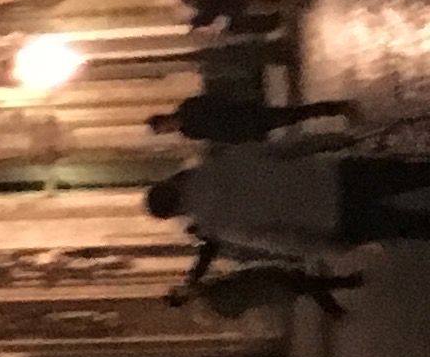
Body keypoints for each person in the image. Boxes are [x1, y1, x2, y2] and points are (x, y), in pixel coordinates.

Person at [145, 149, 430, 256]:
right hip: (330, 175)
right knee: (411, 175)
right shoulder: (214, 165)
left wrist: (329, 246)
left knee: (409, 224)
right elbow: (278, 152)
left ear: (175, 213)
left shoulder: (218, 224)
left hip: (330, 216)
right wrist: (328, 142)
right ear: (170, 183)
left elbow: (277, 239)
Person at [154, 88, 354, 144]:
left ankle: (335, 108)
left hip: (245, 115)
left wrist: (239, 105)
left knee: (291, 115)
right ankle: (333, 109)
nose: (167, 130)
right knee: (292, 116)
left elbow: (215, 100)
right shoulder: (188, 131)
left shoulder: (188, 109)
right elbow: (216, 136)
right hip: (245, 128)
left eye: (164, 127)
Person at [181, 259, 359, 320]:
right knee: (309, 284)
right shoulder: (217, 292)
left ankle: (335, 305)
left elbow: (236, 312)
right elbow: (244, 283)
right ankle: (346, 284)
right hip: (270, 285)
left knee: (308, 284)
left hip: (269, 289)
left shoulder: (216, 300)